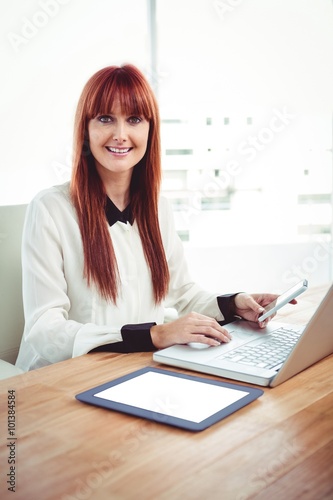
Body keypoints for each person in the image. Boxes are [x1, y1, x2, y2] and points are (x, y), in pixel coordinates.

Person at [16, 64, 283, 372]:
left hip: (136, 372)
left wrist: (234, 304)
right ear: (85, 130)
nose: (120, 135)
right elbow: (44, 331)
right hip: (61, 380)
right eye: (105, 118)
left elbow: (184, 293)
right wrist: (153, 335)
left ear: (149, 129)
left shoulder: (158, 208)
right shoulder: (50, 209)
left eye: (134, 119)